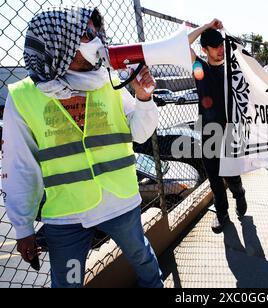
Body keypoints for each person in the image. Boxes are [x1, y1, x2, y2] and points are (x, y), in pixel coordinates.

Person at [2, 7, 163, 288]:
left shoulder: (109, 80)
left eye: (97, 32)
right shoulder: (23, 97)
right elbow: (19, 166)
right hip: (67, 215)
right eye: (88, 34)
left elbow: (139, 133)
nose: (99, 40)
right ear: (59, 41)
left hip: (120, 202)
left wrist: (144, 99)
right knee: (69, 281)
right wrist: (23, 227)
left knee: (141, 257)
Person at [188, 19, 248, 234]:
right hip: (208, 131)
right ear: (204, 50)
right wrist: (205, 26)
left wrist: (223, 32)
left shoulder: (232, 70)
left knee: (232, 174)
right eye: (215, 47)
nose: (220, 50)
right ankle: (222, 213)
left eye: (222, 46)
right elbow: (182, 45)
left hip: (231, 129)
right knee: (214, 176)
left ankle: (239, 194)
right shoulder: (200, 68)